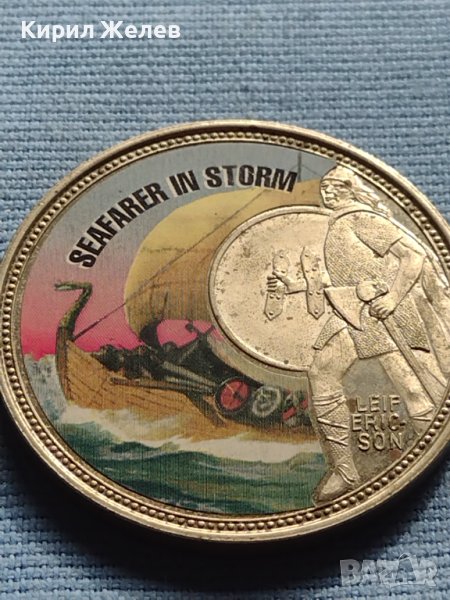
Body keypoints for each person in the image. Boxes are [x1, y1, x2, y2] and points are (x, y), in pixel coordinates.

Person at [268, 165, 450, 503]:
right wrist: (294, 286)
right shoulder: (338, 225)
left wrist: (392, 298)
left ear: (350, 190)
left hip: (384, 314)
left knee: (414, 389)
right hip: (350, 311)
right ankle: (345, 470)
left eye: (334, 187)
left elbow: (414, 254)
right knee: (321, 371)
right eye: (325, 187)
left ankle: (429, 448)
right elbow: (338, 277)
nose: (326, 192)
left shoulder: (360, 218)